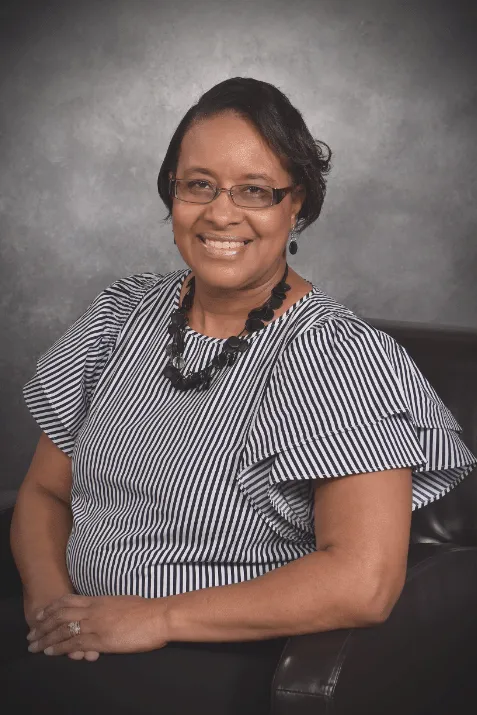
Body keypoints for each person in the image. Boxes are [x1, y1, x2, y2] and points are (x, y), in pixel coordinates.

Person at [1, 76, 476, 714]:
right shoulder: (119, 314)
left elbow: (362, 582)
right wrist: (53, 611)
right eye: (199, 184)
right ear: (172, 192)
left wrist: (156, 619)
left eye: (255, 190)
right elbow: (44, 491)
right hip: (82, 632)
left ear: (295, 204)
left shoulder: (339, 358)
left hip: (219, 657)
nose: (221, 214)